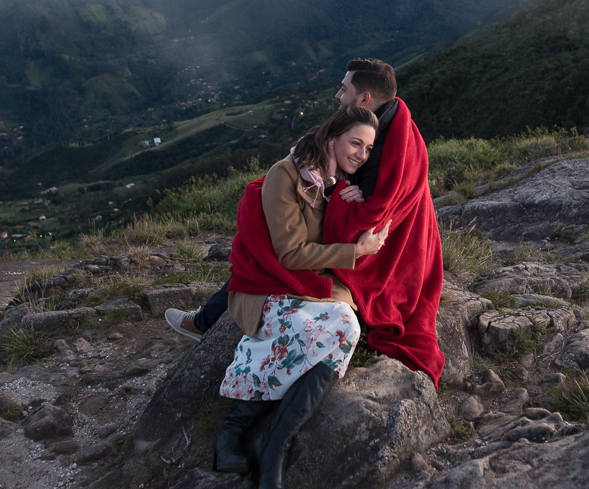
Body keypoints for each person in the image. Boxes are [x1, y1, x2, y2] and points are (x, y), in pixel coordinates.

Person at [167, 58, 444, 389]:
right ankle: (203, 320)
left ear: (364, 99)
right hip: (346, 231)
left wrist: (337, 193)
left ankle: (205, 324)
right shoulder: (391, 126)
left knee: (271, 251)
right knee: (275, 226)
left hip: (361, 254)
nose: (337, 96)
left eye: (344, 89)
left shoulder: (387, 145)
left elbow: (362, 219)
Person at [214, 105, 390, 488]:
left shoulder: (334, 180)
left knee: (342, 327)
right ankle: (237, 430)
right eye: (355, 143)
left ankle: (272, 441)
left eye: (369, 147)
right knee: (342, 330)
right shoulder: (287, 175)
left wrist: (345, 198)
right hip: (265, 286)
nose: (362, 154)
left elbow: (327, 229)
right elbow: (290, 253)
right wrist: (357, 251)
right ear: (332, 140)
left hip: (301, 285)